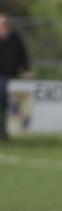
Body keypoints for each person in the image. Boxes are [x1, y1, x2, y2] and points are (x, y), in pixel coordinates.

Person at [0, 13, 32, 141]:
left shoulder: (15, 38)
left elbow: (23, 55)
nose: (4, 26)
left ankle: (6, 129)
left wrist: (26, 70)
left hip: (11, 75)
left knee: (11, 101)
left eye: (5, 23)